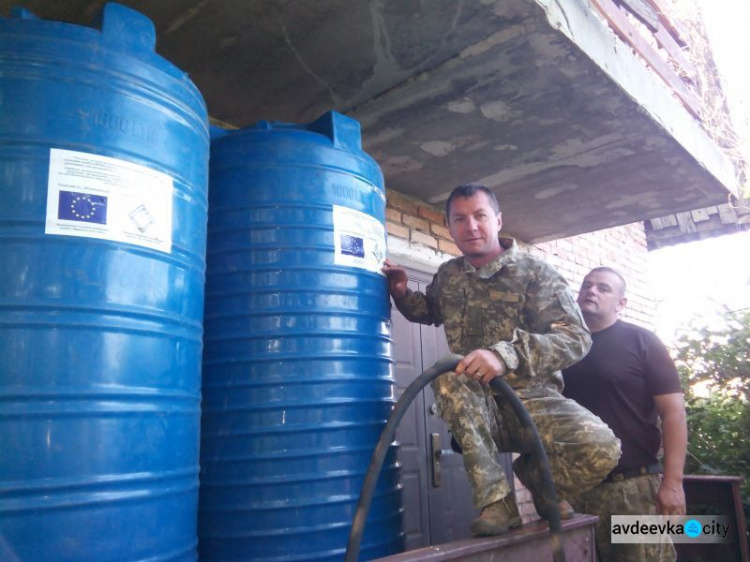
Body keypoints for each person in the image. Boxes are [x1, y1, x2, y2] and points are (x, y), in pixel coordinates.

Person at [383, 183, 621, 537]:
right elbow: (431, 310)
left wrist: (504, 354)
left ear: (497, 219)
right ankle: (497, 502)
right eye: (460, 219)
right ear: (449, 227)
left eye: (480, 216)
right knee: (448, 373)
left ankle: (543, 484)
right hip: (476, 403)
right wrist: (402, 293)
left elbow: (576, 338)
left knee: (603, 447)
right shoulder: (449, 275)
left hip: (532, 401)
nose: (472, 226)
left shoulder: (534, 273)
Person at [563, 267, 687, 562]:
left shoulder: (642, 342)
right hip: (574, 494)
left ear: (621, 303)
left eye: (603, 288)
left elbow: (674, 414)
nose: (591, 291)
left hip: (631, 491)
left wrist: (673, 483)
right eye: (587, 286)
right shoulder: (560, 347)